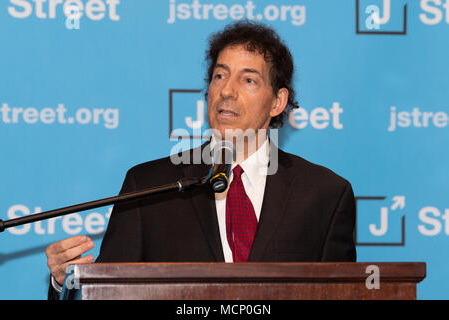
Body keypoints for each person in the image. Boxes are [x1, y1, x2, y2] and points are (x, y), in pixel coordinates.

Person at [46, 21, 356, 299]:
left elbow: (343, 295)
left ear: (277, 102)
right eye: (220, 75)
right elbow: (107, 293)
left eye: (248, 80)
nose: (227, 91)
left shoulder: (324, 194)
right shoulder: (150, 185)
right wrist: (65, 284)